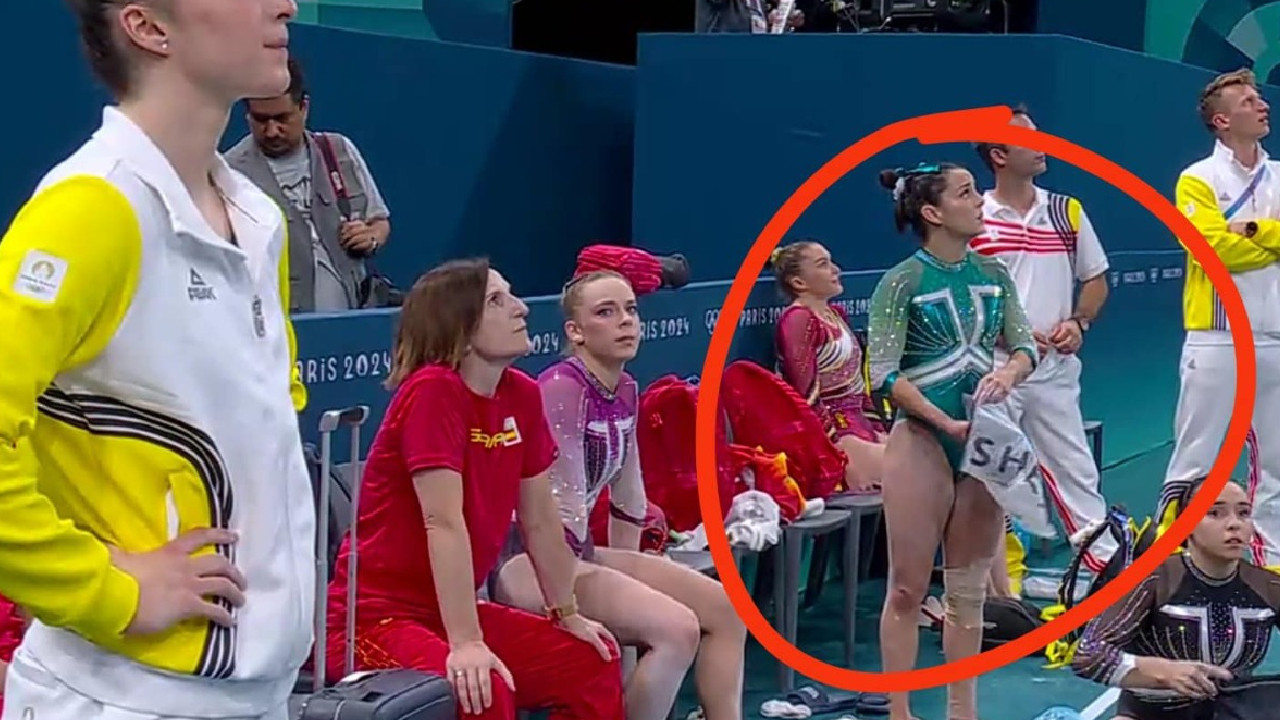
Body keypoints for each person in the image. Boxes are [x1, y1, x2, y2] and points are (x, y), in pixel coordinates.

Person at [0, 0, 314, 719]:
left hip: (256, 693)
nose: (286, 4)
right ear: (147, 27)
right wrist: (107, 590)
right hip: (118, 697)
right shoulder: (91, 210)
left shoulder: (258, 219)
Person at [323, 259, 626, 720]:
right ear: (460, 329)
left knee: (591, 659)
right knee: (482, 691)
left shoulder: (522, 394)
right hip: (373, 618)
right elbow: (442, 521)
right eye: (497, 301)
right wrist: (466, 643)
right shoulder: (432, 391)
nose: (521, 308)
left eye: (512, 295)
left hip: (448, 612)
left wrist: (566, 612)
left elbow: (540, 520)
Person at [493, 270, 747, 720]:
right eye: (606, 312)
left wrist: (634, 574)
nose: (626, 321)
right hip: (527, 561)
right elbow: (564, 507)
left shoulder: (624, 387)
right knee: (678, 630)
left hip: (579, 553)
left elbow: (629, 500)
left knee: (727, 609)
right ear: (575, 332)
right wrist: (626, 595)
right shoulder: (560, 388)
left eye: (630, 309)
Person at [867, 162, 1038, 720]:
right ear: (932, 212)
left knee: (968, 594)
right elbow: (883, 373)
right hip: (920, 441)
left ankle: (962, 712)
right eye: (966, 193)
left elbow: (1025, 347)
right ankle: (899, 712)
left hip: (980, 442)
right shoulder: (903, 281)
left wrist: (1008, 373)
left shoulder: (993, 272)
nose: (980, 200)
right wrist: (942, 422)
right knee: (906, 590)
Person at [972, 105, 1115, 590]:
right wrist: (1000, 332)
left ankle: (1107, 579)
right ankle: (1001, 590)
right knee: (992, 482)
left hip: (1053, 371)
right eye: (1028, 138)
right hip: (991, 374)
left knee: (1077, 474)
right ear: (998, 154)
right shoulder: (973, 216)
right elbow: (957, 291)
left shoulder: (1065, 211)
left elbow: (1095, 279)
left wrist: (1079, 321)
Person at [1156, 68, 1280, 571]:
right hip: (1217, 336)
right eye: (1249, 101)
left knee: (1276, 464)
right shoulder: (1198, 178)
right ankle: (1170, 562)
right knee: (1196, 458)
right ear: (1222, 121)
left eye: (1259, 98)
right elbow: (1210, 248)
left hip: (1275, 336)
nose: (1263, 105)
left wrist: (1252, 230)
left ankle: (1269, 564)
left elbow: (1233, 242)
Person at [1072, 478, 1278, 720]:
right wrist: (1165, 672)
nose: (1234, 524)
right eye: (1214, 513)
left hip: (1233, 712)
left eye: (1243, 513)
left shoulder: (1267, 586)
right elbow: (1088, 654)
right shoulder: (1153, 579)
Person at [226, 57, 392, 313]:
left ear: (304, 107)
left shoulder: (338, 151)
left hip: (353, 322)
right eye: (261, 120)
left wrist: (370, 237)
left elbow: (380, 222)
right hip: (276, 327)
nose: (272, 131)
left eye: (282, 118)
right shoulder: (229, 173)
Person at [769, 240, 887, 494]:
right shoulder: (798, 320)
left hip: (859, 426)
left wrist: (879, 430)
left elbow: (859, 387)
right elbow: (806, 398)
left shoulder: (836, 315)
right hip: (832, 435)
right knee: (918, 474)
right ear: (799, 282)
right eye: (823, 265)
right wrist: (838, 455)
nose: (836, 270)